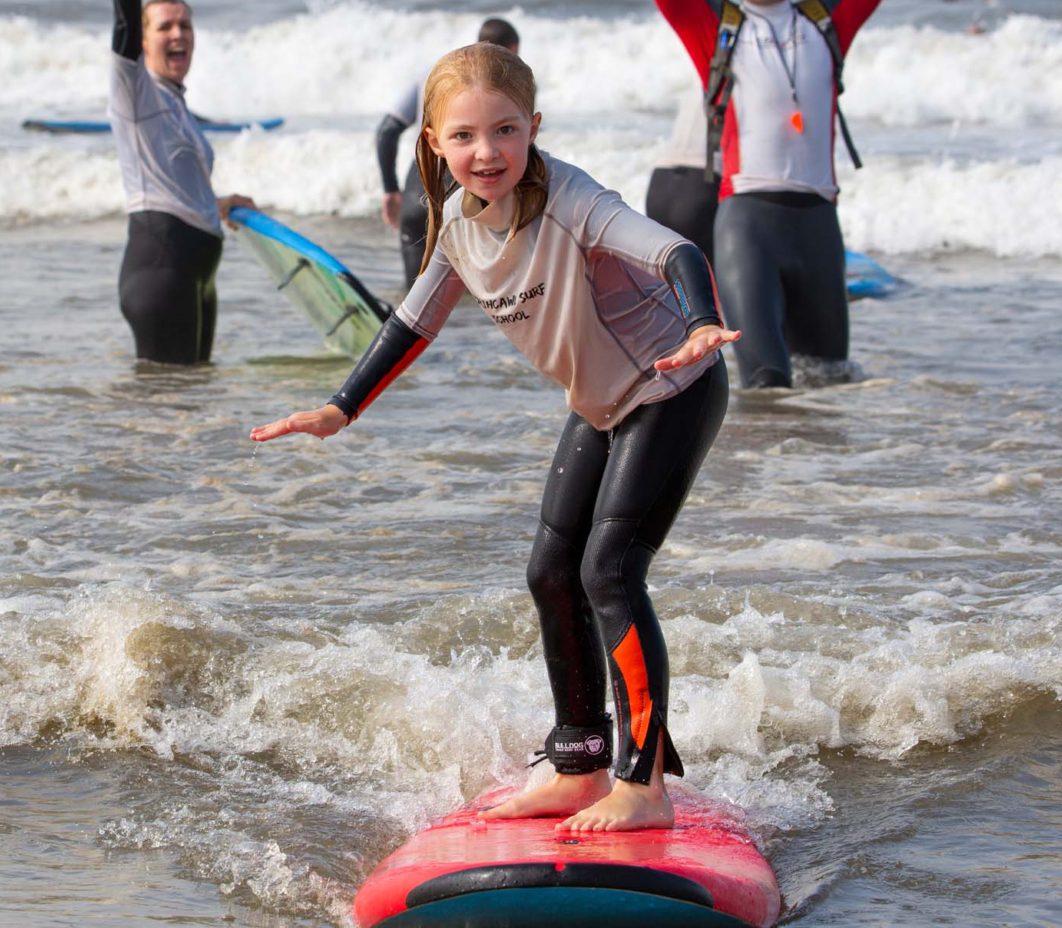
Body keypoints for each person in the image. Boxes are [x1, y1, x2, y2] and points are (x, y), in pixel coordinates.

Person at [251, 43, 739, 833]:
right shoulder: (456, 226)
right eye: (467, 136)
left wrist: (701, 321)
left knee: (609, 571)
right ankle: (579, 763)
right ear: (435, 143)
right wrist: (340, 409)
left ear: (534, 128)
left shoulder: (573, 201)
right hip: (602, 401)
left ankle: (642, 782)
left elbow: (673, 250)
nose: (488, 152)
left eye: (507, 131)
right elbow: (414, 320)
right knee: (552, 571)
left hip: (672, 386)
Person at [620, 0, 931, 388]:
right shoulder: (715, 28)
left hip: (818, 227)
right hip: (747, 226)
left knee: (831, 383)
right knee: (767, 385)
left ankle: (825, 469)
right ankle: (762, 467)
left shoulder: (827, 22)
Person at [109, 0, 255, 365]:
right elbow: (125, 21)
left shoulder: (176, 104)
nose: (178, 33)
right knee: (163, 415)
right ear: (144, 41)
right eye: (165, 26)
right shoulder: (135, 92)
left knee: (194, 402)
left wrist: (220, 205)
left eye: (185, 25)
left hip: (195, 275)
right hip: (160, 271)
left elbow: (176, 189)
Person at [376, 17, 520, 287]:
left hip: (416, 192)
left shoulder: (433, 72)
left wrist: (390, 189)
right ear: (512, 50)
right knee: (484, 299)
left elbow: (386, 132)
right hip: (464, 192)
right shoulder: (504, 84)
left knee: (416, 303)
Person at [644, 89, 716, 263]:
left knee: (673, 287)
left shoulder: (707, 68)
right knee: (712, 286)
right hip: (702, 186)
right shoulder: (764, 72)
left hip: (660, 184)